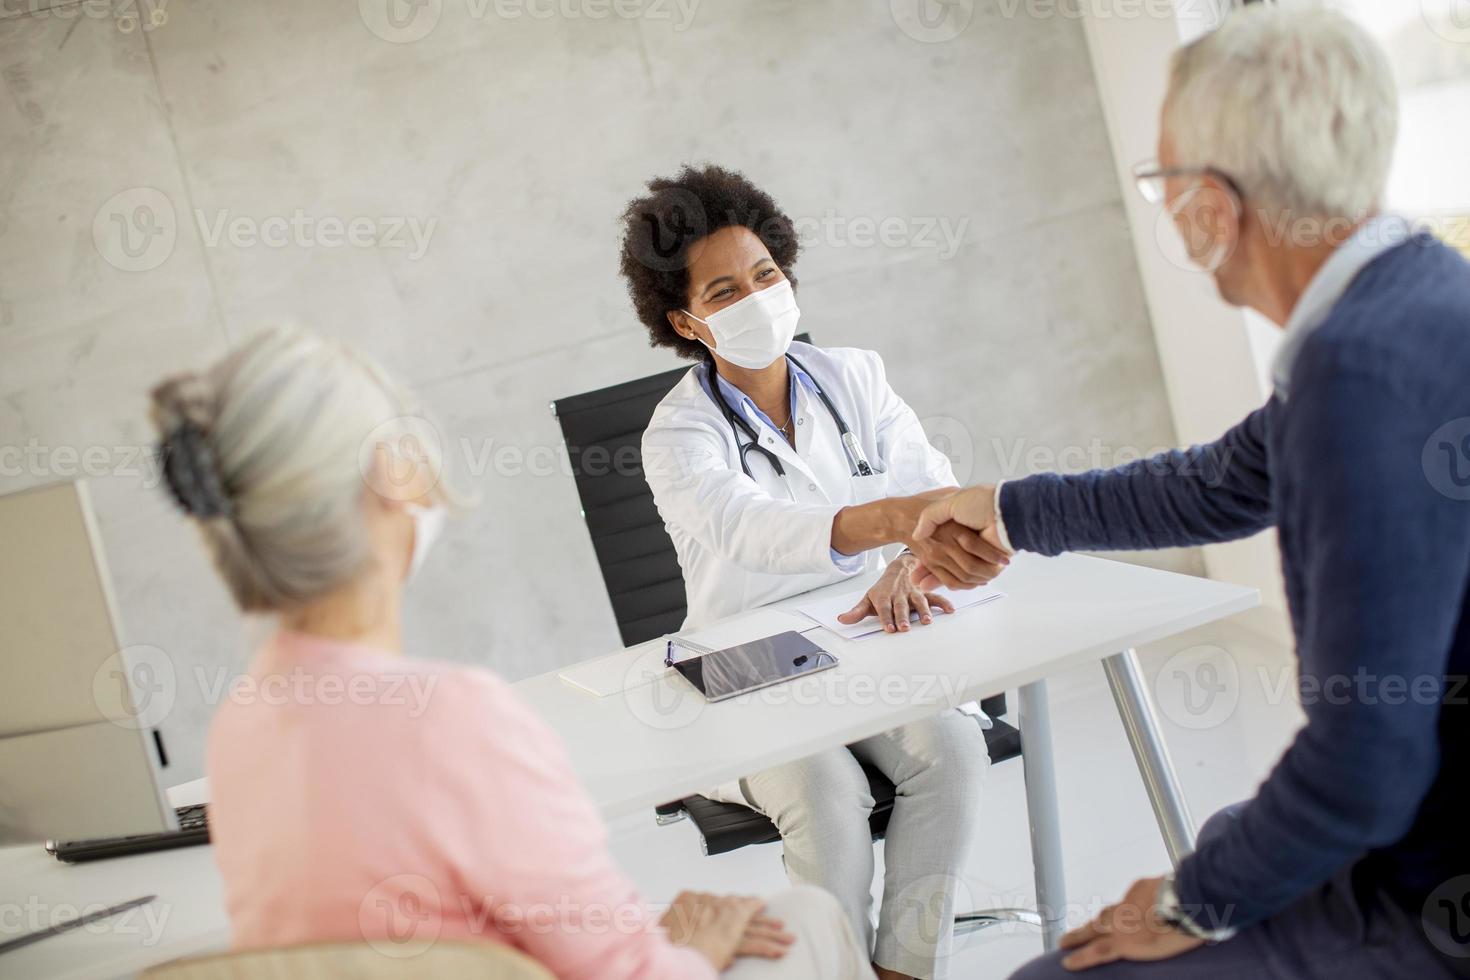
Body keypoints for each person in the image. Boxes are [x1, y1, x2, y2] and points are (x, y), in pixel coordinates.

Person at [910, 8, 1470, 979]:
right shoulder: (1418, 294)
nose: (1164, 207)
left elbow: (1363, 770)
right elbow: (1219, 481)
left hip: (1427, 898)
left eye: (1164, 181)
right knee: (1223, 828)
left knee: (1055, 975)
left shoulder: (1359, 371)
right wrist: (1005, 506)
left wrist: (1192, 899)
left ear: (1213, 204)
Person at [149, 323, 877, 980]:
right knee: (807, 920)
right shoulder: (450, 720)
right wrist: (685, 947)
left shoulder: (241, 726)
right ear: (389, 483)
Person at [621, 165, 1008, 980]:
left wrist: (912, 555)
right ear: (687, 322)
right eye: (725, 292)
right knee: (828, 800)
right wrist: (901, 521)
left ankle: (904, 970)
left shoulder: (855, 377)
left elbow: (926, 480)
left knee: (953, 751)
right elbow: (753, 530)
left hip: (867, 640)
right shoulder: (677, 435)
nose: (758, 298)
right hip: (744, 666)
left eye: (766, 274)